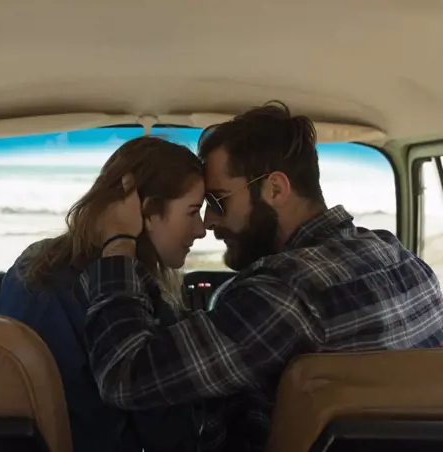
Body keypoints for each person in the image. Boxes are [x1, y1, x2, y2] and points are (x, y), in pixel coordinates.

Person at [81, 102, 443, 451]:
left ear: (275, 189)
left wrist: (118, 244)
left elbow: (124, 375)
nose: (208, 223)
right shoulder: (402, 259)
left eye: (219, 202)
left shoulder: (285, 293)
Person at [0, 136, 208, 452]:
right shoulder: (132, 302)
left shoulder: (31, 263)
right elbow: (172, 437)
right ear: (146, 211)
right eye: (192, 211)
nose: (201, 229)